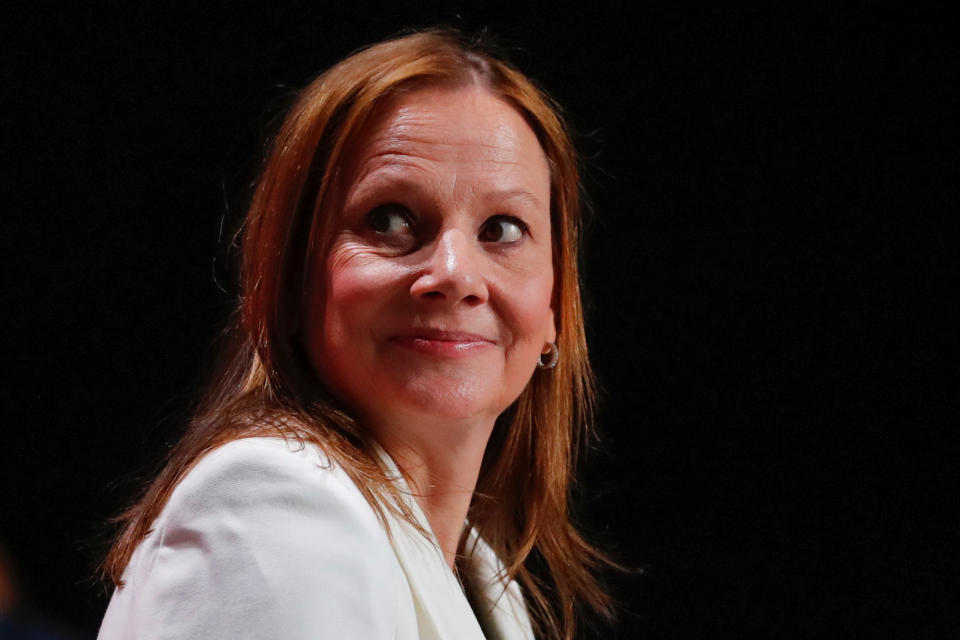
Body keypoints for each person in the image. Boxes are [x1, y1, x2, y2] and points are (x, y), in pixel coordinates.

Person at [98, 27, 611, 640]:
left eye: (502, 229)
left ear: (553, 309)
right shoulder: (272, 507)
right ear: (288, 283)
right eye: (390, 219)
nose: (454, 275)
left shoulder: (486, 581)